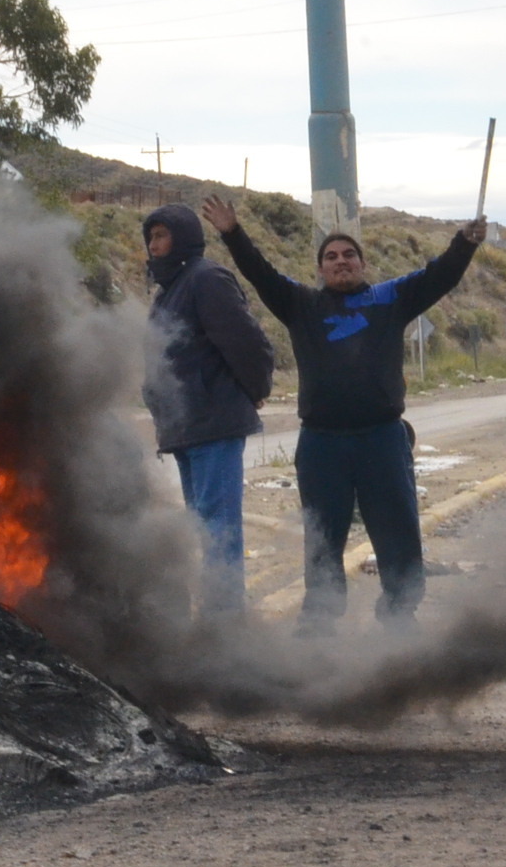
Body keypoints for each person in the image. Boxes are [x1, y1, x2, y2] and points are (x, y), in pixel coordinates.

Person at [200, 194, 484, 633]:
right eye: (330, 257)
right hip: (321, 444)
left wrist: (464, 243)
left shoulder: (390, 299)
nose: (340, 261)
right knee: (322, 538)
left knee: (398, 533)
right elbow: (259, 273)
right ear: (320, 269)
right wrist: (232, 232)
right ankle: (319, 620)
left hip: (383, 439)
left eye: (349, 254)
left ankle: (399, 614)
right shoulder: (300, 305)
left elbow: (438, 276)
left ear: (363, 264)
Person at [141, 202, 276, 618]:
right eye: (151, 238)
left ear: (183, 238)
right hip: (185, 429)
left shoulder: (205, 279)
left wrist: (256, 388)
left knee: (219, 531)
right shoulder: (169, 291)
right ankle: (216, 617)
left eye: (162, 235)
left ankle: (225, 623)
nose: (155, 245)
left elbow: (246, 342)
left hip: (213, 425)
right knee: (203, 528)